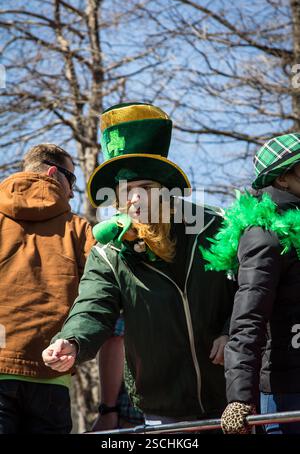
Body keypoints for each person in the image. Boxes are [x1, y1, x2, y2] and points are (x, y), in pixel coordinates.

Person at [42, 102, 234, 427]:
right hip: (161, 406)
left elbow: (250, 290)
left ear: (166, 192)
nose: (134, 201)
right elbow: (93, 307)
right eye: (125, 193)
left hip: (230, 394)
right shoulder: (109, 253)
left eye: (144, 190)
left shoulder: (215, 228)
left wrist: (232, 333)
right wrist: (71, 340)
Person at [202, 133, 300, 434]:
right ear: (282, 180)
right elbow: (248, 319)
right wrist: (240, 399)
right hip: (288, 391)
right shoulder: (263, 236)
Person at [0, 144, 95, 434]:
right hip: (52, 373)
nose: (71, 192)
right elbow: (100, 292)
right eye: (72, 180)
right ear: (54, 173)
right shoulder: (78, 229)